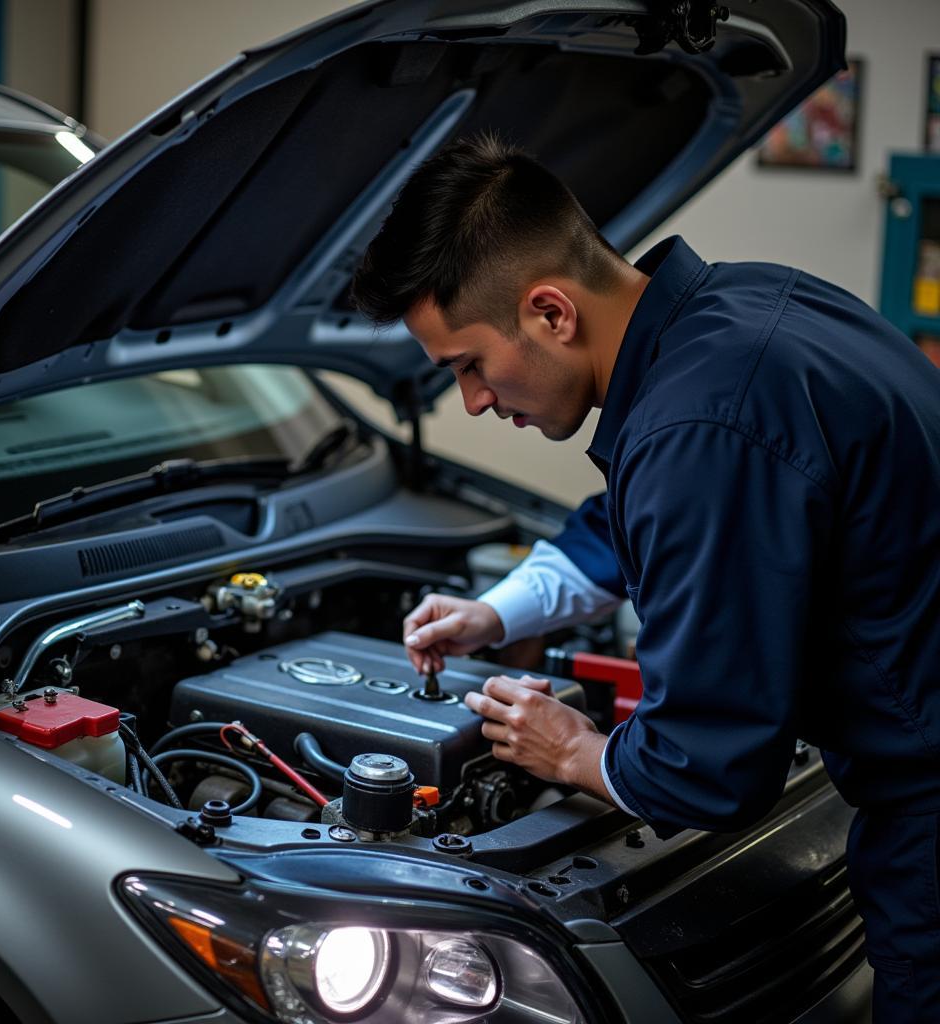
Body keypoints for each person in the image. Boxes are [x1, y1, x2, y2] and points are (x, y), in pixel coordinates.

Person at [350, 132, 940, 1022]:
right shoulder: (742, 310)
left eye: (469, 366)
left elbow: (709, 768)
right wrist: (495, 615)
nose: (472, 400)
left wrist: (575, 752)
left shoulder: (698, 426)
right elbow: (648, 518)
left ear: (550, 312)